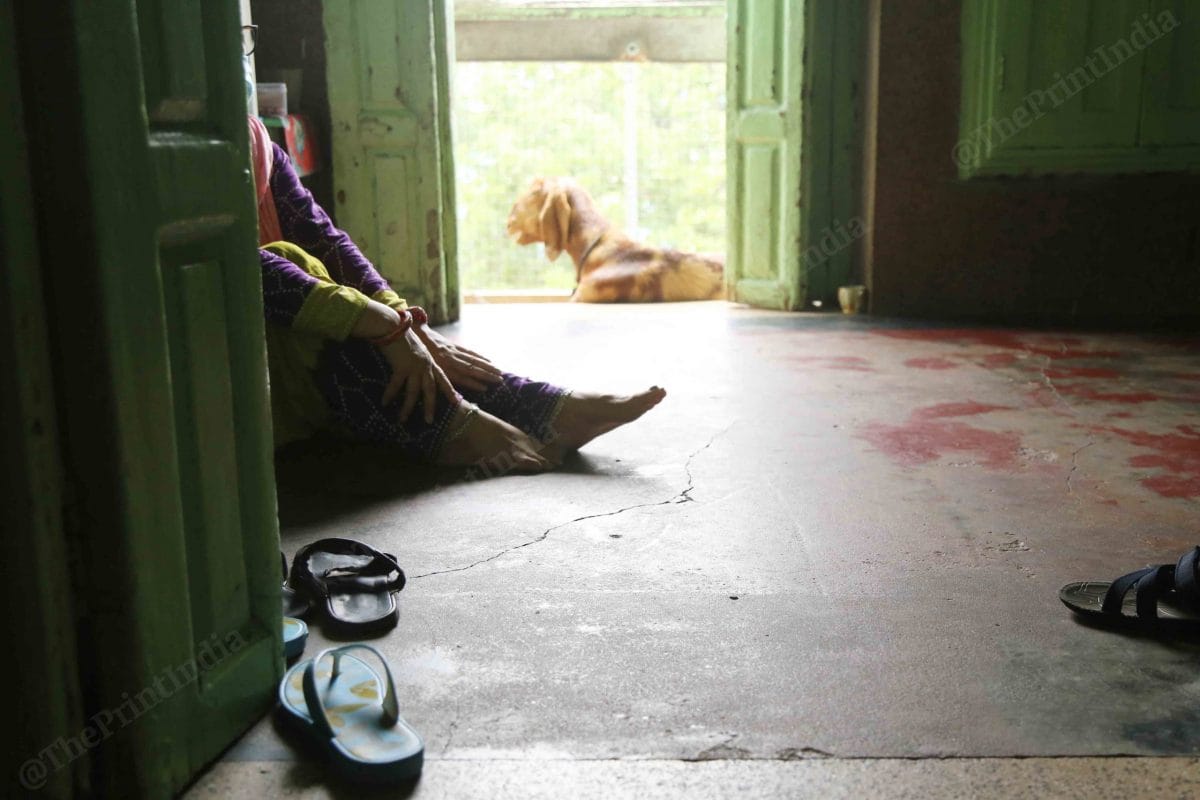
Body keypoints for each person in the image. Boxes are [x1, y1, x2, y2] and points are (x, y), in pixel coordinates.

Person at [250, 118, 664, 472]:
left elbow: (324, 239)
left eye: (245, 39)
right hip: (241, 375)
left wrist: (408, 325)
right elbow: (249, 271)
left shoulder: (255, 143)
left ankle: (542, 408)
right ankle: (456, 428)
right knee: (300, 274)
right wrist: (387, 326)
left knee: (383, 323)